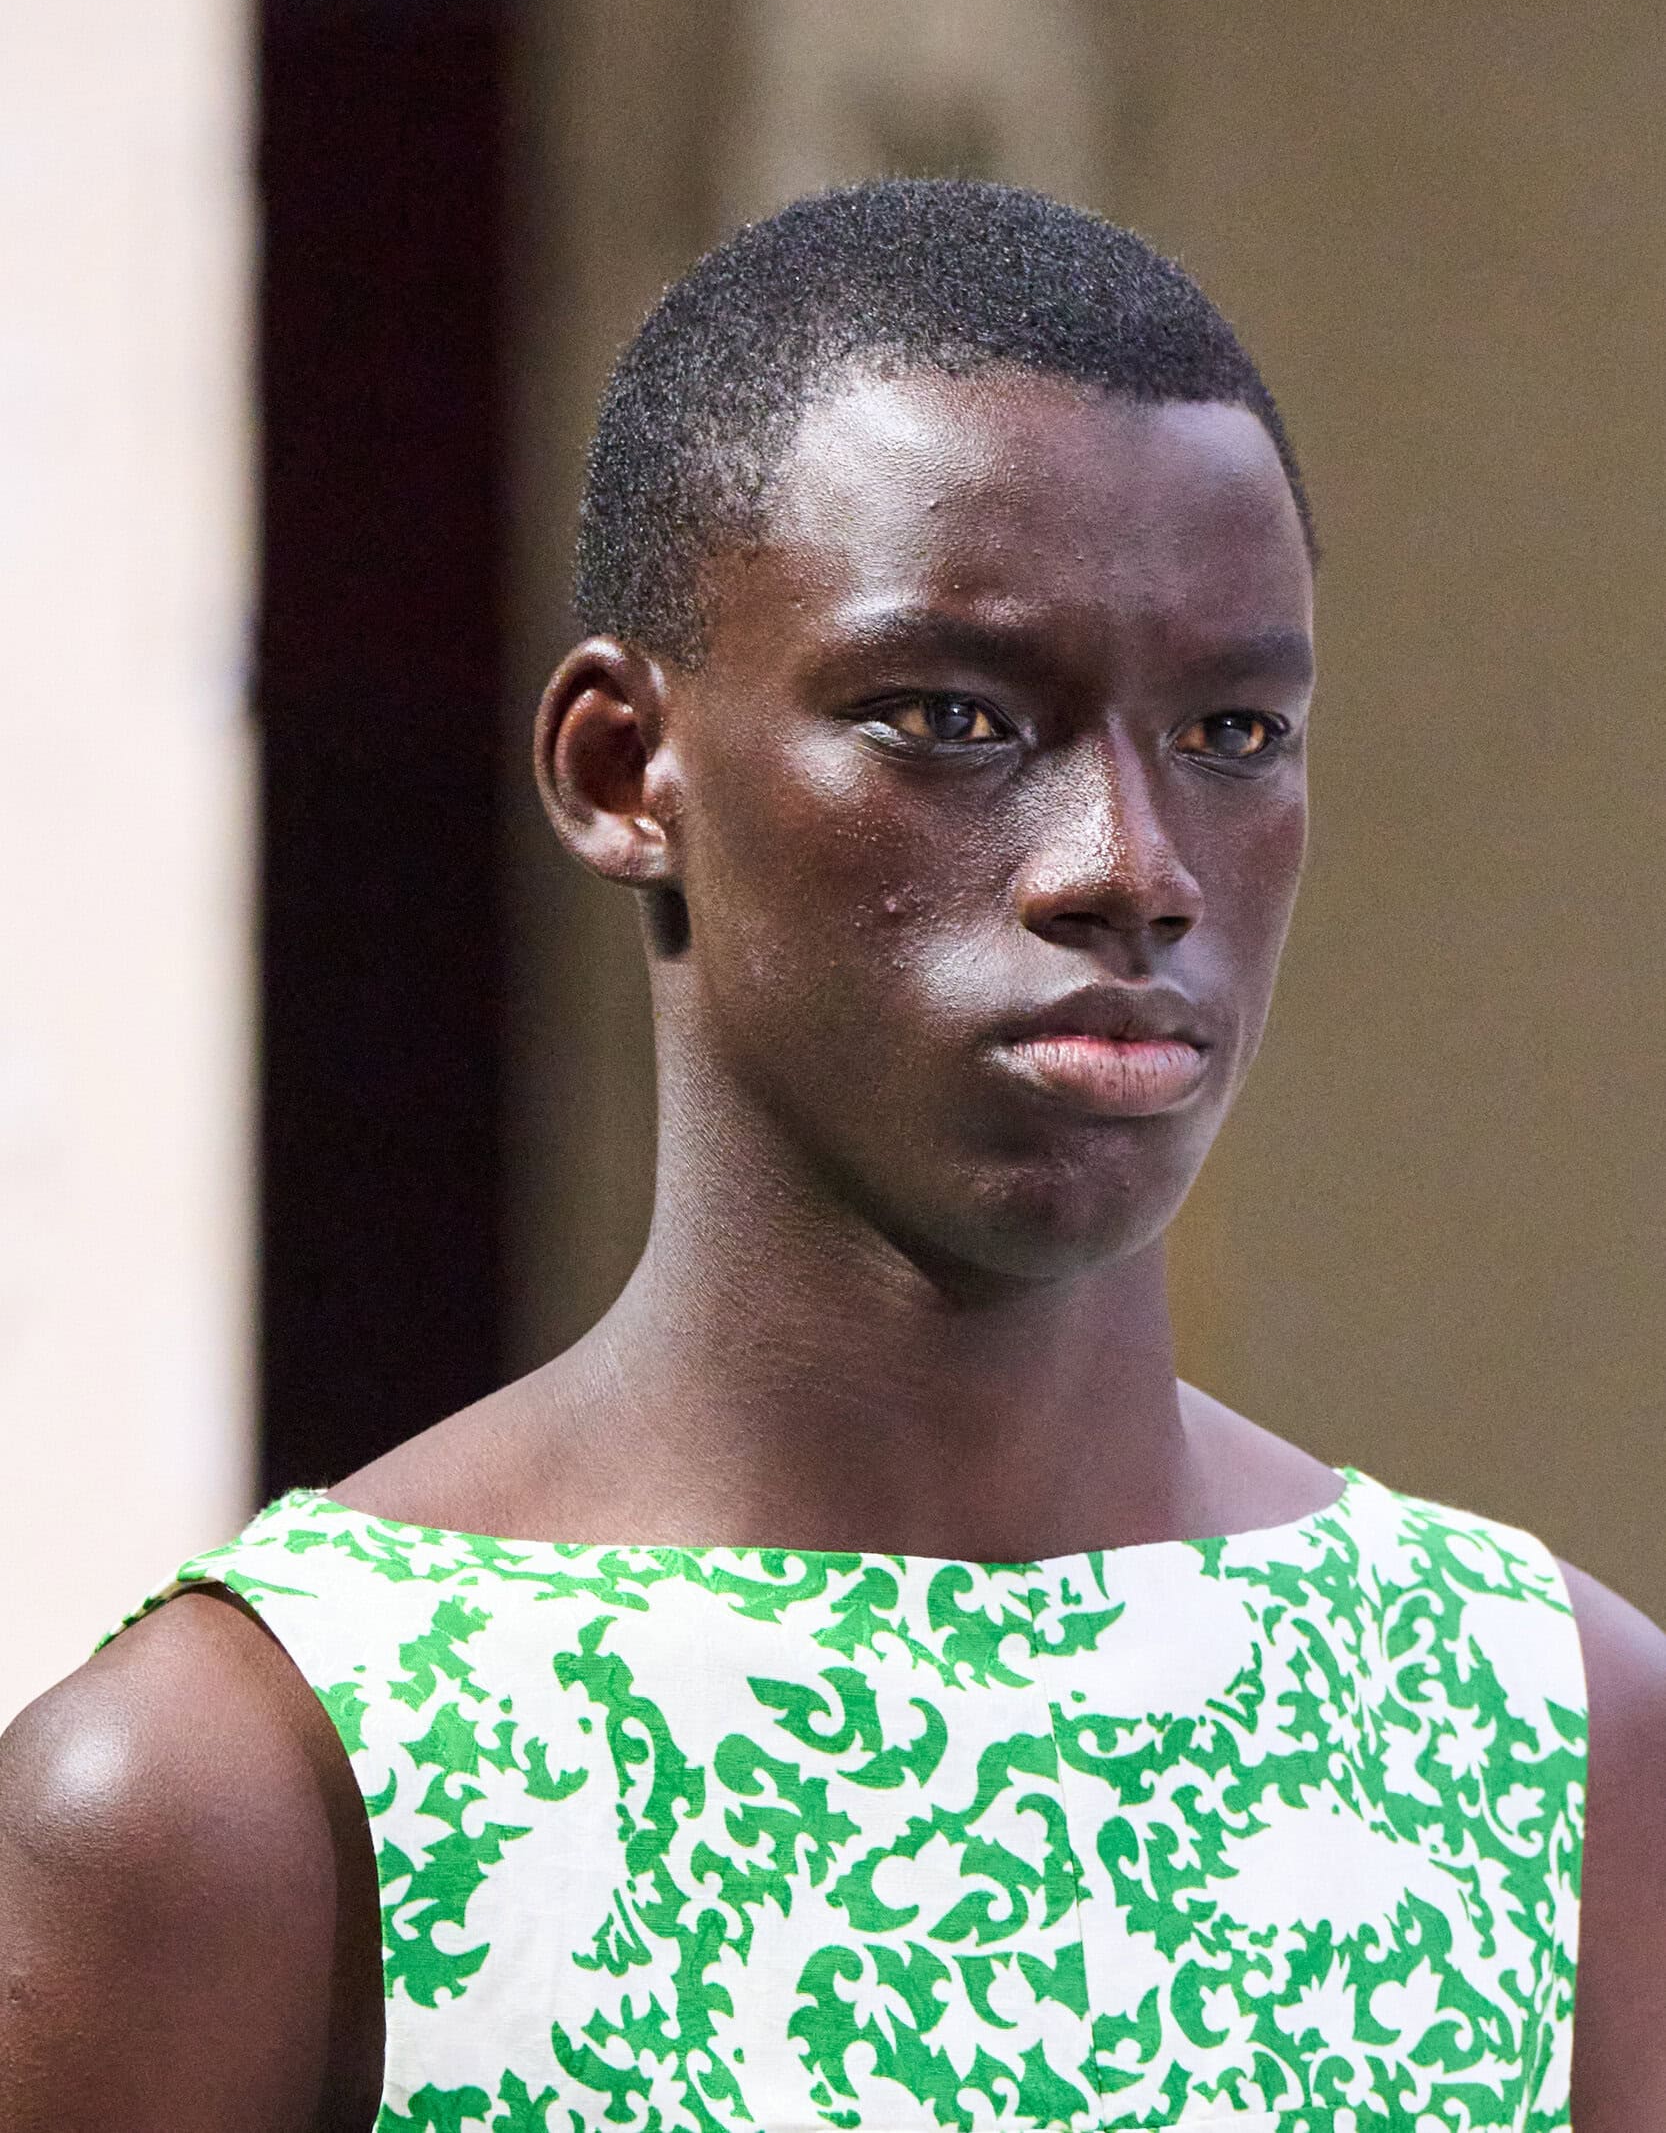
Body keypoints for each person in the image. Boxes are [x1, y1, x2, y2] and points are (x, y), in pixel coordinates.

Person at [2, 179, 1661, 2131]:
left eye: (1229, 732)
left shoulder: (1545, 1736)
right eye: (951, 717)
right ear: (621, 768)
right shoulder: (250, 1793)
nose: (1128, 865)